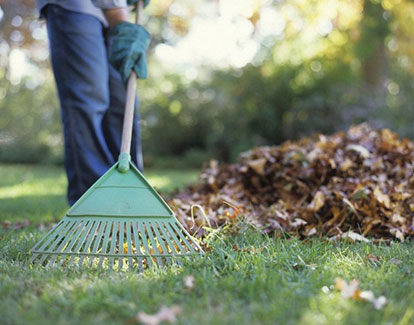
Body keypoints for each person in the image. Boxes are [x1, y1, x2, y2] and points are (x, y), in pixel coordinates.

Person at [35, 0, 151, 206]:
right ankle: (94, 202)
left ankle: (130, 200)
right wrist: (118, 14)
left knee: (123, 102)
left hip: (115, 10)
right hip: (74, 6)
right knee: (89, 99)